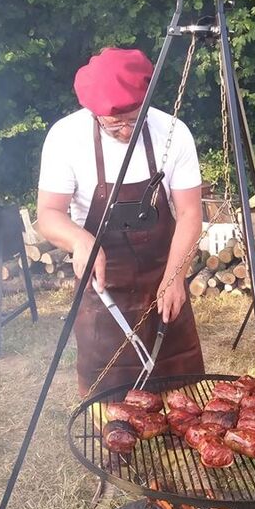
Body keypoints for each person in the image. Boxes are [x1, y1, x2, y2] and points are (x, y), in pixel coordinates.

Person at [37, 47, 205, 395]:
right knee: (108, 399)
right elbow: (48, 215)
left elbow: (189, 213)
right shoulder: (65, 138)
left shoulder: (174, 132)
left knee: (183, 395)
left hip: (163, 278)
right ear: (94, 113)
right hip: (105, 289)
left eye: (134, 119)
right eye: (115, 125)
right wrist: (81, 241)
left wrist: (175, 277)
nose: (126, 131)